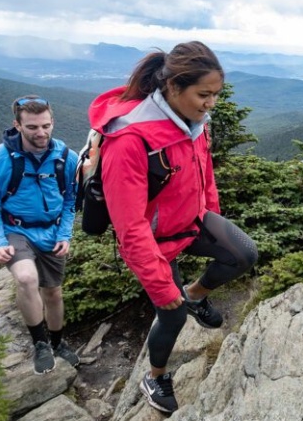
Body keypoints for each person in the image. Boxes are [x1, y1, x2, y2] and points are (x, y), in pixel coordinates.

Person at [88, 41, 258, 413]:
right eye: (203, 94)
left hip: (191, 221)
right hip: (154, 242)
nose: (211, 103)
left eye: (216, 94)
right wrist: (164, 287)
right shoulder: (130, 140)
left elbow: (204, 174)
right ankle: (156, 374)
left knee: (243, 253)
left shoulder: (194, 123)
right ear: (173, 86)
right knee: (172, 313)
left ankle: (196, 294)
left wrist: (211, 214)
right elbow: (130, 227)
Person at [0, 95, 80, 375]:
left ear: (53, 122)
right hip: (15, 229)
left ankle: (58, 343)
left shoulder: (66, 158)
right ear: (17, 125)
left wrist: (65, 234)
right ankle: (40, 344)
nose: (41, 133)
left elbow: (71, 200)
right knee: (26, 277)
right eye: (33, 127)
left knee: (53, 293)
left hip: (51, 231)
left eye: (46, 126)